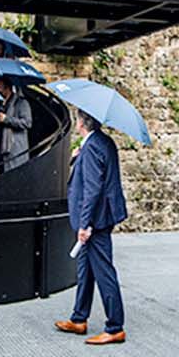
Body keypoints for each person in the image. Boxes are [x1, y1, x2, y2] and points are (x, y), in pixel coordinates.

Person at [53, 112, 129, 344]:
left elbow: (92, 189)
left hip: (96, 221)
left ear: (80, 123)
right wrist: (77, 158)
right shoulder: (100, 142)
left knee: (104, 271)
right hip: (100, 217)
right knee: (85, 270)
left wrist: (85, 224)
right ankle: (79, 318)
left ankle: (115, 327)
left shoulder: (93, 147)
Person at [0, 76, 33, 171]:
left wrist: (6, 119)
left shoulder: (21, 103)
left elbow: (27, 123)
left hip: (15, 149)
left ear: (7, 88)